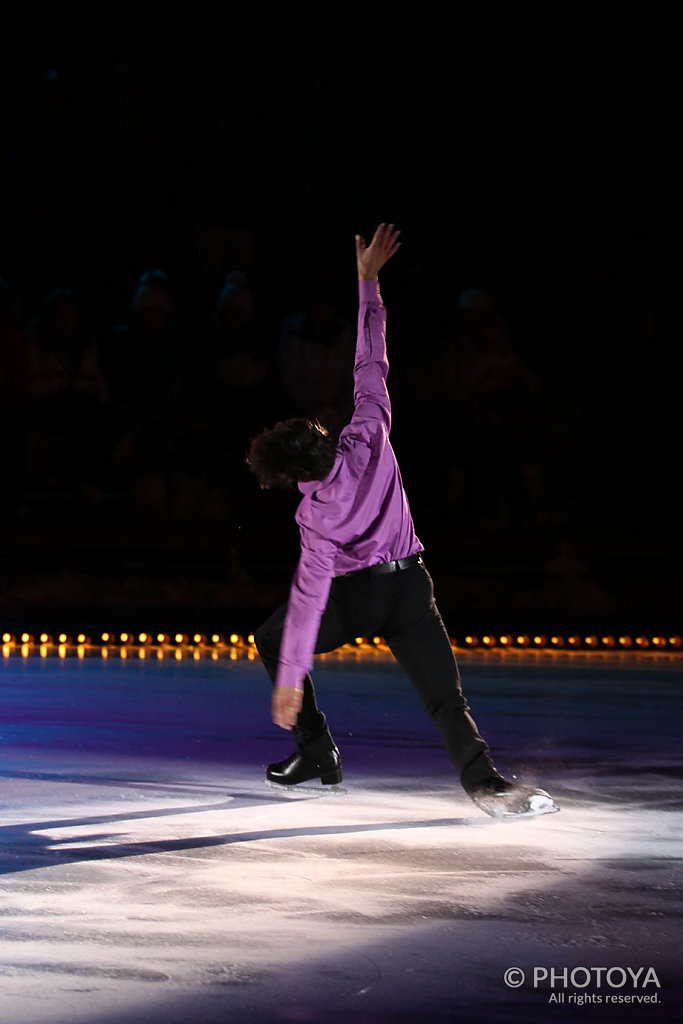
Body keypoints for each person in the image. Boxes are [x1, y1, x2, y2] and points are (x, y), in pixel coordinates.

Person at [247, 224, 558, 819]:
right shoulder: (370, 434)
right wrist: (369, 282)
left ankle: (314, 749)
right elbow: (372, 360)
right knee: (445, 697)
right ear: (324, 436)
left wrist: (291, 675)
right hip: (410, 589)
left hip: (358, 597)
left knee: (271, 636)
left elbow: (310, 596)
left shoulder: (312, 514)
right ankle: (485, 784)